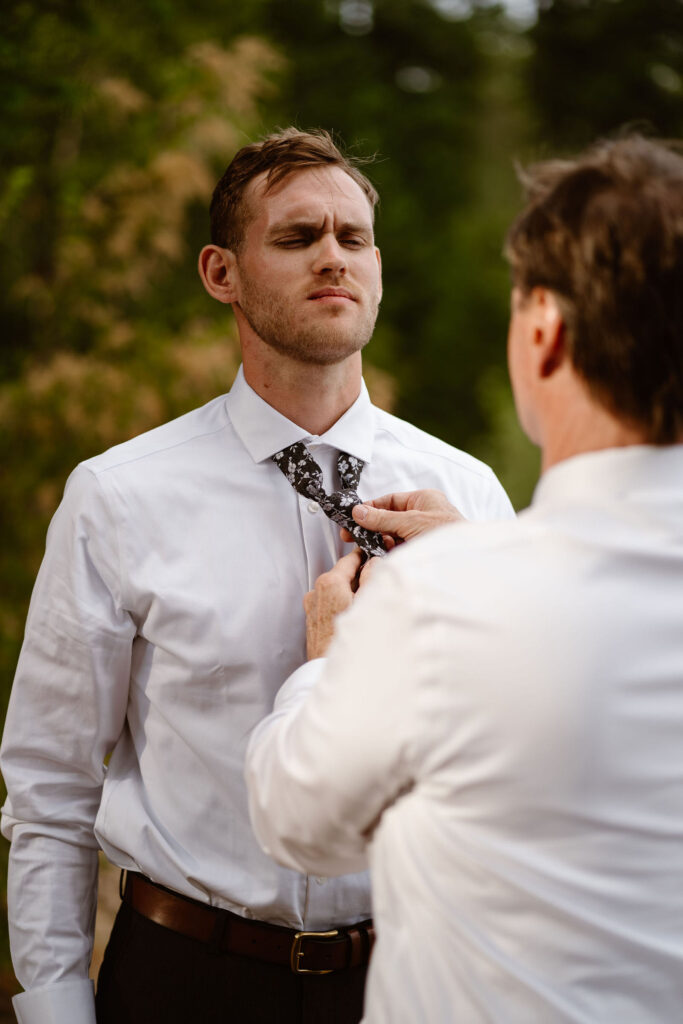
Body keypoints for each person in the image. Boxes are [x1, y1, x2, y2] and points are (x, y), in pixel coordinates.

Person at [0, 128, 514, 1024]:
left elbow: (521, 759)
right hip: (184, 978)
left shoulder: (465, 496)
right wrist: (53, 1007)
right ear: (219, 273)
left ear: (378, 268)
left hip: (411, 981)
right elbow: (51, 791)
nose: (332, 258)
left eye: (352, 239)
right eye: (295, 237)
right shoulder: (119, 498)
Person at [245, 134, 683, 1023]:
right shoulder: (467, 574)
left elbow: (300, 823)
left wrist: (332, 661)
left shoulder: (444, 595)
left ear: (542, 332)